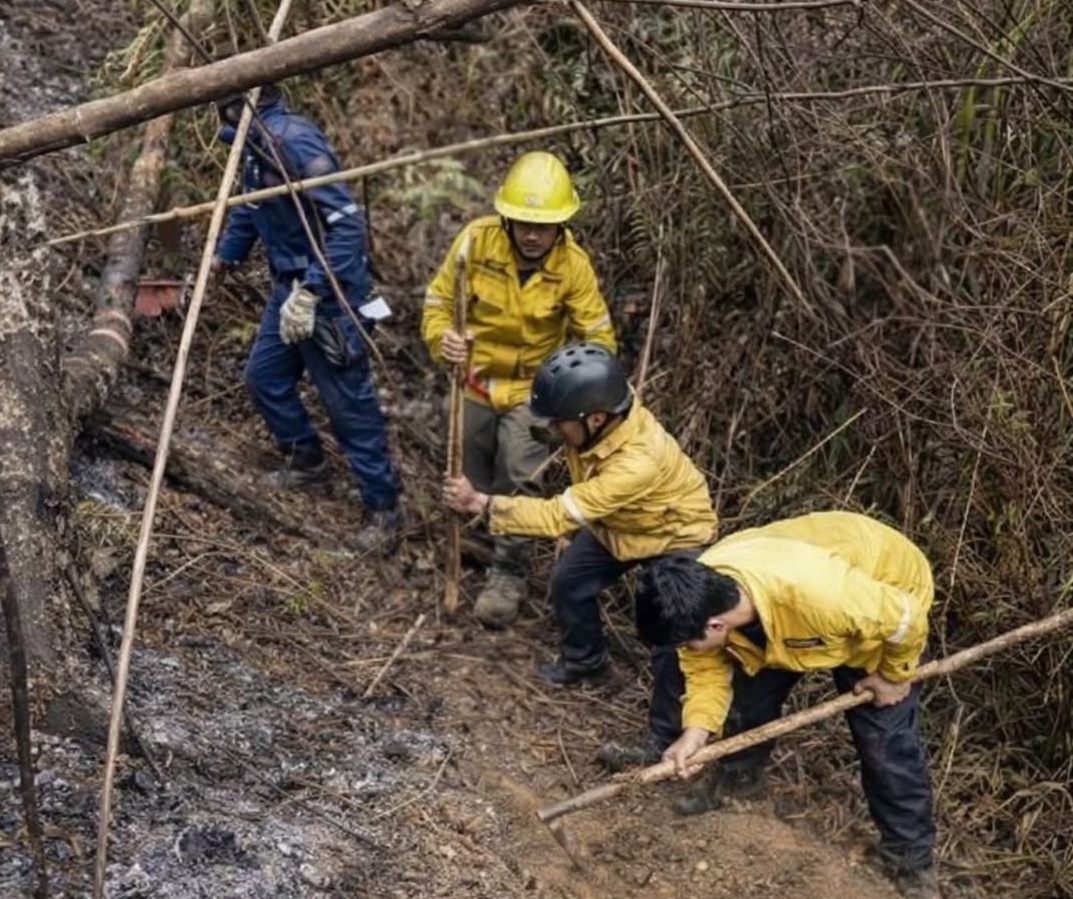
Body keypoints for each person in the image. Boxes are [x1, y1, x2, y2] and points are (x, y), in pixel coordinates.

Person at [635, 510, 939, 899]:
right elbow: (704, 668)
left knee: (885, 740)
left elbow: (905, 620)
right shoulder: (700, 589)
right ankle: (738, 784)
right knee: (747, 703)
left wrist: (895, 675)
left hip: (883, 597)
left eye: (686, 642)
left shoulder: (825, 598)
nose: (686, 650)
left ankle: (910, 859)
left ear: (715, 626)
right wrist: (696, 732)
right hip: (790, 606)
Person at [443, 343, 717, 770]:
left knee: (672, 633)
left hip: (672, 533)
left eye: (560, 422)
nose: (553, 428)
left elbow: (556, 512)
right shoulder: (601, 416)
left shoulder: (637, 461)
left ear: (595, 418)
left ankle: (663, 736)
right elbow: (581, 485)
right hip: (619, 524)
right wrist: (575, 526)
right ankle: (586, 662)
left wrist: (482, 503)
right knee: (570, 580)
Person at [423, 151, 617, 627]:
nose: (532, 235)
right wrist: (441, 339)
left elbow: (599, 339)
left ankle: (508, 569)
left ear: (561, 225)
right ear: (506, 218)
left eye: (544, 226)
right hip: (473, 379)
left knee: (518, 468)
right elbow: (438, 303)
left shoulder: (574, 266)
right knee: (463, 464)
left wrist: (579, 392)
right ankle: (469, 541)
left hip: (535, 392)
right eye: (523, 223)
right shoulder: (476, 242)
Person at [211, 85, 402, 554]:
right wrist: (224, 259)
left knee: (347, 404)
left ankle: (384, 510)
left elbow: (347, 227)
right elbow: (252, 209)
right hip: (288, 288)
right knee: (263, 377)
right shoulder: (251, 148)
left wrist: (315, 290)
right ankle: (305, 457)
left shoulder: (294, 141)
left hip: (331, 293)